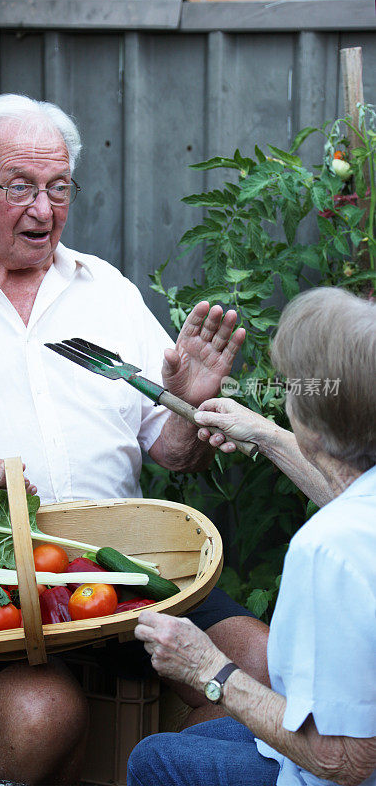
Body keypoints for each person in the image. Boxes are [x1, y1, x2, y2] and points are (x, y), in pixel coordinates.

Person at [0, 94, 269, 785]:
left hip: (124, 562)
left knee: (265, 671)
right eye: (20, 187)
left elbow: (171, 451)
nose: (43, 211)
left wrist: (190, 410)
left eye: (58, 188)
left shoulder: (103, 289)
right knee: (44, 716)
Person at [127, 286, 376, 786]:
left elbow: (346, 761)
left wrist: (209, 669)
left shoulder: (325, 548)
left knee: (155, 761)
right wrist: (263, 431)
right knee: (185, 745)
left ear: (312, 423)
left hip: (339, 770)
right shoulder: (359, 511)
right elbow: (347, 489)